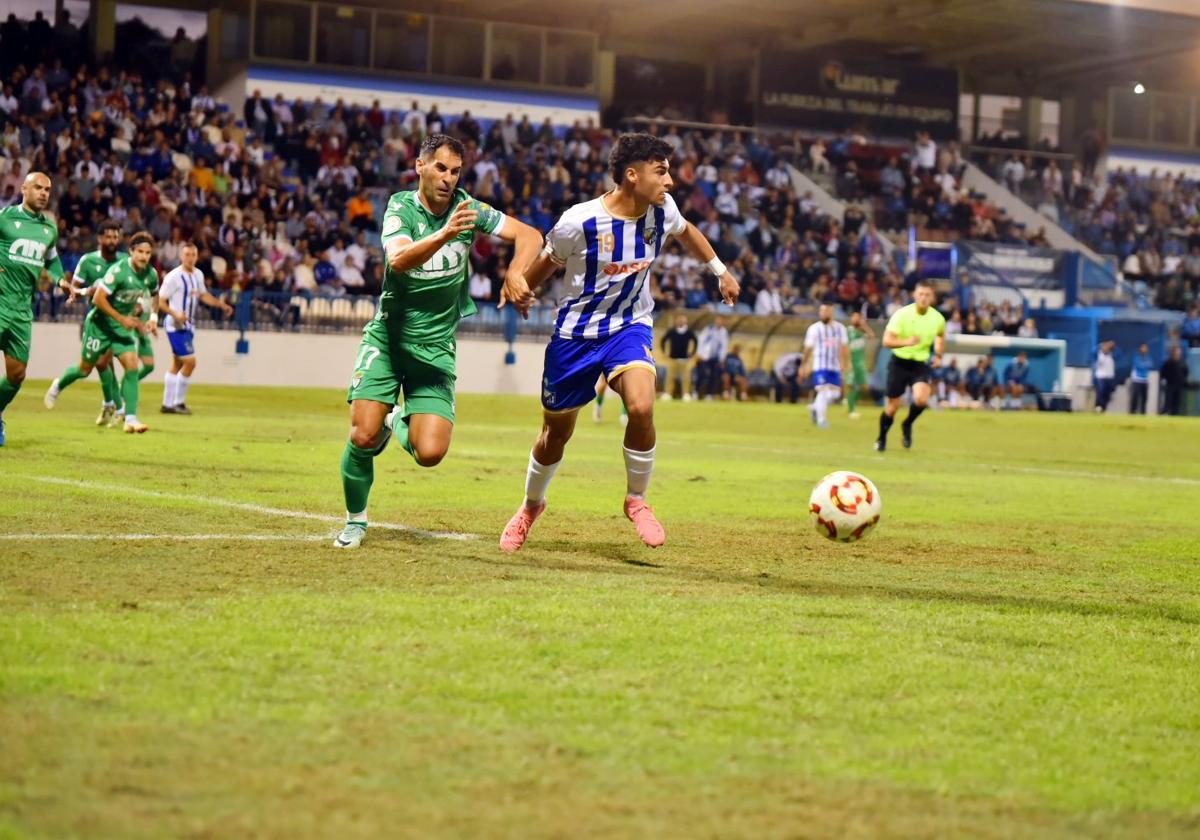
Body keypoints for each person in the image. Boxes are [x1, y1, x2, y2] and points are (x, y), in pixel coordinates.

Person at [498, 132, 740, 551]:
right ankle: (530, 506)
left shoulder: (663, 211)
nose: (669, 182)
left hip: (630, 325)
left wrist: (720, 270)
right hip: (575, 335)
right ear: (632, 175)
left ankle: (637, 500)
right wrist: (521, 289)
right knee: (555, 435)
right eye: (660, 172)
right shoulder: (580, 221)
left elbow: (687, 232)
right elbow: (548, 262)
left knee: (642, 406)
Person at [335, 135, 541, 548]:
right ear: (421, 167)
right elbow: (398, 258)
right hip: (389, 341)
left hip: (435, 348)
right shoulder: (401, 207)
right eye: (441, 169)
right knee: (362, 436)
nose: (449, 179)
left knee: (430, 453)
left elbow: (530, 236)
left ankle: (395, 420)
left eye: (456, 171)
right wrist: (447, 234)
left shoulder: (470, 209)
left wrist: (516, 272)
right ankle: (355, 521)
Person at [48, 233, 158, 433]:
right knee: (85, 369)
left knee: (132, 366)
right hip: (99, 326)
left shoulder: (150, 274)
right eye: (140, 252)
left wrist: (153, 318)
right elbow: (98, 299)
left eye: (148, 253)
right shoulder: (118, 271)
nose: (144, 256)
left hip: (120, 329)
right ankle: (59, 383)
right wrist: (122, 319)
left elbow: (155, 293)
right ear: (131, 252)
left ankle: (130, 418)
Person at [0, 172, 64, 445]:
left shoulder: (49, 229)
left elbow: (52, 260)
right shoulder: (4, 218)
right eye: (38, 187)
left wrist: (61, 280)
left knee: (17, 374)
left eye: (47, 189)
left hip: (23, 311)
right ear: (24, 189)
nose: (43, 193)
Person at [55, 219, 126, 425]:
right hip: (94, 320)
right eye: (109, 236)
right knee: (101, 364)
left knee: (104, 363)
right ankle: (113, 406)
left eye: (116, 236)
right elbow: (74, 288)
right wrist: (76, 293)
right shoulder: (87, 261)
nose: (113, 240)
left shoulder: (124, 261)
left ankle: (115, 407)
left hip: (115, 321)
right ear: (100, 238)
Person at [158, 242, 234, 414]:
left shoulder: (198, 275)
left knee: (177, 364)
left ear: (197, 256)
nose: (190, 258)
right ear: (181, 256)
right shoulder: (173, 277)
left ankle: (167, 405)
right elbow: (160, 301)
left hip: (189, 325)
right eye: (187, 255)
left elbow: (204, 295)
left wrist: (221, 305)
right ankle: (178, 403)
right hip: (176, 326)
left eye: (193, 255)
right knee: (191, 362)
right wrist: (175, 313)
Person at [875, 281, 945, 451]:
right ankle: (882, 437)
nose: (924, 298)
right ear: (914, 295)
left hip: (920, 363)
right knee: (892, 407)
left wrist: (937, 355)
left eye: (927, 294)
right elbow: (886, 341)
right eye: (921, 294)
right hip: (899, 362)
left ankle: (907, 424)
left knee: (921, 399)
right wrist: (907, 342)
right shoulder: (902, 315)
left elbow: (940, 336)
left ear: (932, 297)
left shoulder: (938, 318)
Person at [800, 304, 850, 429]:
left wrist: (845, 362)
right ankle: (821, 420)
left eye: (826, 311)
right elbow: (808, 348)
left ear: (831, 312)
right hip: (820, 366)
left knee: (835, 394)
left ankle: (816, 407)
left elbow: (844, 347)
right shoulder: (814, 329)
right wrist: (804, 365)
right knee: (823, 390)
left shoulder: (840, 328)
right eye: (821, 311)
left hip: (834, 366)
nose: (823, 313)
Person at [659, 313, 696, 400]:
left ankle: (686, 394)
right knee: (670, 377)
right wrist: (664, 352)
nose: (680, 322)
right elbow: (663, 340)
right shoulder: (672, 331)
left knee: (686, 378)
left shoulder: (689, 332)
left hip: (684, 358)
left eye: (682, 320)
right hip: (673, 358)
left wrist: (692, 353)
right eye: (679, 320)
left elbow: (695, 341)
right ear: (676, 321)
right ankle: (668, 393)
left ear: (685, 322)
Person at [845, 310, 875, 418]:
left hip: (861, 363)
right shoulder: (847, 331)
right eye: (855, 317)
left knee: (865, 387)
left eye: (859, 317)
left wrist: (864, 325)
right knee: (850, 385)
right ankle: (851, 409)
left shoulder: (862, 333)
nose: (856, 319)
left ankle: (850, 400)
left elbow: (872, 335)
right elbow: (843, 347)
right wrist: (846, 362)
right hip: (851, 363)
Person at [694, 315, 729, 400]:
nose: (718, 322)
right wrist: (699, 354)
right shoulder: (709, 329)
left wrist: (722, 359)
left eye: (720, 321)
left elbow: (723, 346)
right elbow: (701, 341)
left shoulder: (724, 332)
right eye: (717, 320)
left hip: (714, 357)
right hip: (704, 356)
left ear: (723, 322)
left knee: (713, 376)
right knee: (701, 374)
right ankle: (695, 392)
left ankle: (708, 394)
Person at [1160, 345, 1188, 416]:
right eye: (1175, 351)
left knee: (1177, 403)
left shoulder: (1183, 363)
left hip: (1179, 386)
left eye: (1178, 351)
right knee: (1168, 402)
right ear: (1172, 352)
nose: (1176, 353)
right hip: (1170, 385)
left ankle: (1175, 416)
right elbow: (1163, 373)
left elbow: (1185, 373)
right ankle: (1166, 414)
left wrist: (1183, 381)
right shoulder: (1168, 363)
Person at [1129, 343, 1153, 415]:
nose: (1144, 349)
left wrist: (1144, 365)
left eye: (1145, 348)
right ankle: (1132, 413)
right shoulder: (1136, 358)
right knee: (1135, 399)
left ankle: (1143, 413)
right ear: (1140, 349)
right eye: (1143, 347)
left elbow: (1150, 365)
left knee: (1144, 399)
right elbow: (1139, 366)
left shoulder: (1149, 358)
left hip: (1145, 381)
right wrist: (1144, 365)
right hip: (1136, 380)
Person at [1093, 340, 1116, 413]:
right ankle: (1098, 406)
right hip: (1101, 377)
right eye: (1104, 347)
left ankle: (1104, 408)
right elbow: (1092, 351)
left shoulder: (1111, 355)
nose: (1106, 348)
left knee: (1107, 394)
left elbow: (1120, 353)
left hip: (1109, 377)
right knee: (1100, 392)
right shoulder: (1098, 354)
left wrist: (1113, 346)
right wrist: (1100, 345)